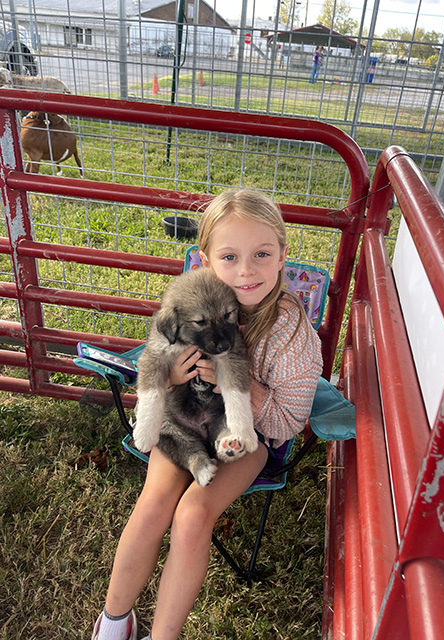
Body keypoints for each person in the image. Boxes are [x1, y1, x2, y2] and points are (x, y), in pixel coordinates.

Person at [91, 189, 324, 640]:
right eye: (230, 256)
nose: (246, 270)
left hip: (249, 437)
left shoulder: (292, 332)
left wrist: (242, 388)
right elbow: (158, 357)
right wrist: (175, 380)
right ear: (206, 259)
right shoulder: (191, 301)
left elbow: (289, 423)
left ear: (282, 255)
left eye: (261, 253)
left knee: (193, 515)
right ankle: (114, 623)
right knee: (155, 502)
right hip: (181, 422)